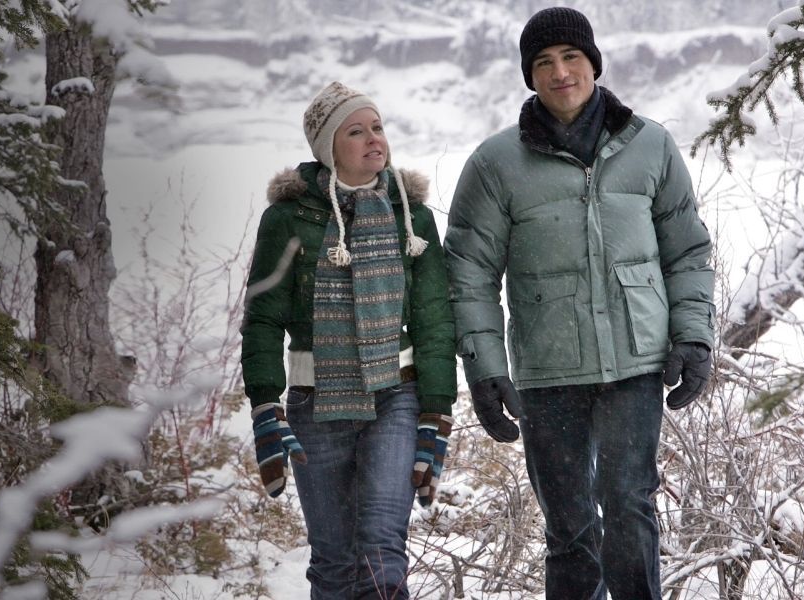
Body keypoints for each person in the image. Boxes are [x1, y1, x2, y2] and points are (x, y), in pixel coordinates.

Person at [443, 7, 715, 600]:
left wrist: (694, 337)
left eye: (571, 57)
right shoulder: (495, 164)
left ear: (592, 63)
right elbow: (469, 273)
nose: (559, 72)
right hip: (549, 370)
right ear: (528, 75)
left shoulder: (650, 146)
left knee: (629, 508)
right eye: (543, 62)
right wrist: (485, 370)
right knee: (570, 530)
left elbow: (688, 252)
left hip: (635, 364)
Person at [240, 81, 457, 600]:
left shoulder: (413, 215)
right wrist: (266, 406)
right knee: (334, 565)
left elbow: (433, 318)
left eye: (377, 127)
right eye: (355, 131)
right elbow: (263, 317)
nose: (373, 140)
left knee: (383, 553)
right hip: (316, 405)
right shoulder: (288, 219)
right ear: (327, 148)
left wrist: (437, 411)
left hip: (396, 397)